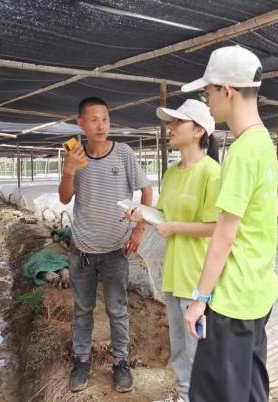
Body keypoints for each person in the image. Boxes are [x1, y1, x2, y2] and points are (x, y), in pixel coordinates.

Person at [182, 46, 278, 402]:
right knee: (250, 385)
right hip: (259, 290)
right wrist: (256, 224)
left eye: (208, 92)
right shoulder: (263, 142)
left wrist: (200, 299)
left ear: (226, 91)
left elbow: (224, 235)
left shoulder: (241, 153)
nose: (208, 100)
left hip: (232, 299)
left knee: (216, 392)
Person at [127, 99, 220, 402]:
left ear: (198, 131)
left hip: (198, 273)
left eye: (177, 122)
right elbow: (164, 216)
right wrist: (142, 213)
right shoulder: (171, 172)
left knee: (198, 347)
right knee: (179, 343)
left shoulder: (211, 173)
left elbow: (217, 227)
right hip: (174, 271)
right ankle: (184, 394)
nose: (170, 127)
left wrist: (176, 227)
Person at [59, 96, 152, 393]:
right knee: (83, 309)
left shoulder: (123, 153)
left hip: (115, 249)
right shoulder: (76, 156)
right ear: (81, 124)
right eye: (94, 119)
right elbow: (63, 198)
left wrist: (139, 228)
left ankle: (120, 362)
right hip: (82, 250)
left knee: (118, 308)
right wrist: (69, 169)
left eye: (105, 119)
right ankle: (82, 360)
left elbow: (146, 191)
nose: (101, 125)